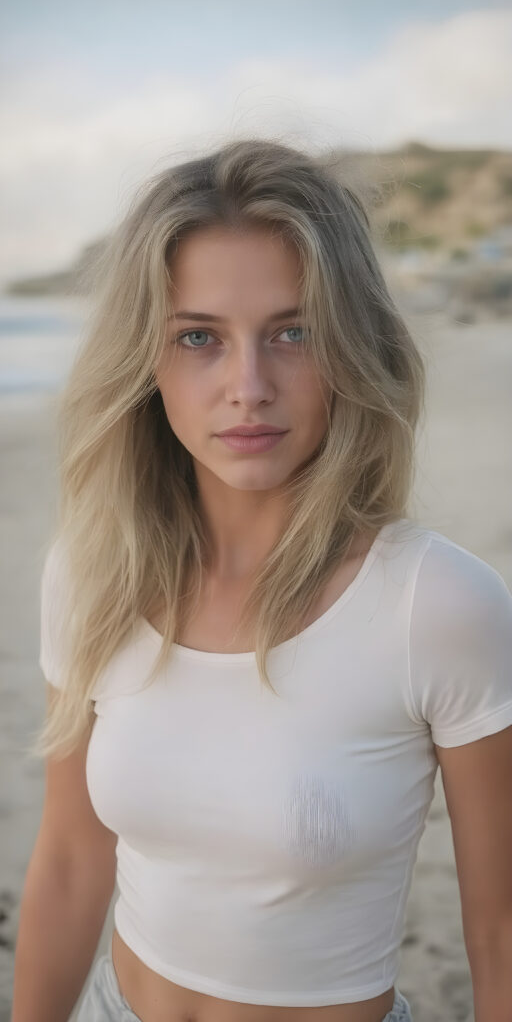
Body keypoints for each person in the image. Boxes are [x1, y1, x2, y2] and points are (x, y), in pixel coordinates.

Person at [12, 138, 512, 1022]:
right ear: (145, 359)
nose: (248, 386)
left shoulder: (438, 605)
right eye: (198, 337)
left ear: (352, 345)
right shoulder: (93, 572)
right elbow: (69, 860)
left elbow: (501, 936)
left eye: (294, 332)